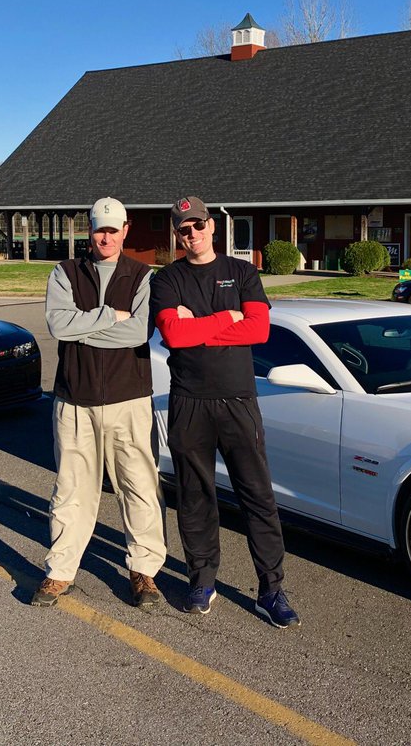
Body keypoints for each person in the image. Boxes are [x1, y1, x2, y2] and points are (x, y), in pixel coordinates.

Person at [149, 196, 300, 628]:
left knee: (257, 496)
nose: (191, 233)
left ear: (212, 226)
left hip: (237, 400)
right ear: (176, 234)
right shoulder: (168, 279)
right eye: (183, 228)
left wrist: (198, 323)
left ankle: (271, 590)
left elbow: (259, 328)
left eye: (197, 225)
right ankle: (202, 580)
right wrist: (224, 319)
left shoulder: (242, 272)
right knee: (195, 496)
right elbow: (174, 338)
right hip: (189, 401)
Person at [31, 197, 167, 610]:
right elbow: (57, 324)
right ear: (88, 231)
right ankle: (60, 571)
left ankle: (144, 572)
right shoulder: (66, 272)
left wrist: (84, 325)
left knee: (139, 487)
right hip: (75, 400)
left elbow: (139, 333)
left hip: (130, 399)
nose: (105, 237)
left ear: (126, 231)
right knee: (72, 489)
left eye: (113, 229)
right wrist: (112, 316)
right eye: (98, 229)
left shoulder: (143, 276)